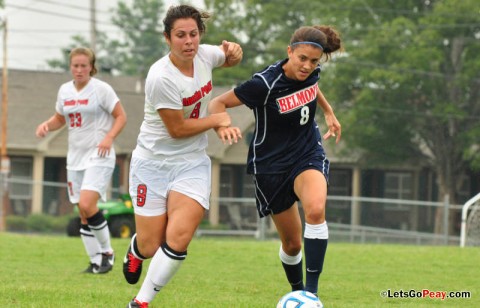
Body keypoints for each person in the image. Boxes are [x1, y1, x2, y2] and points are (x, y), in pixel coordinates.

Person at [208, 25, 342, 302]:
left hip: (307, 153)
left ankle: (311, 296)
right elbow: (217, 104)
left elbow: (313, 85)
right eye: (301, 59)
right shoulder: (264, 85)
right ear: (289, 52)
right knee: (292, 245)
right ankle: (297, 292)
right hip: (271, 166)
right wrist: (222, 127)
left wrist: (329, 112)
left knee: (315, 210)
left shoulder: (313, 70)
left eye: (314, 61)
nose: (307, 66)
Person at [122, 4, 243, 308]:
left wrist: (233, 52)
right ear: (167, 38)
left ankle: (141, 302)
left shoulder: (203, 54)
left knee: (179, 237)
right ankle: (137, 250)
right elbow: (177, 129)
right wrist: (217, 120)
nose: (188, 41)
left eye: (193, 34)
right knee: (151, 244)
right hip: (152, 164)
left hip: (191, 163)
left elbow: (227, 57)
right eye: (180, 36)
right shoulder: (160, 77)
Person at [36, 47, 127, 274]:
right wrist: (47, 125)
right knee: (83, 213)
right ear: (70, 67)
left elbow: (121, 116)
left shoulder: (101, 89)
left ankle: (107, 252)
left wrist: (109, 138)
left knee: (88, 204)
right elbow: (60, 118)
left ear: (91, 67)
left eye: (83, 66)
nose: (79, 70)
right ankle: (96, 262)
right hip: (74, 157)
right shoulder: (64, 91)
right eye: (75, 66)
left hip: (99, 155)